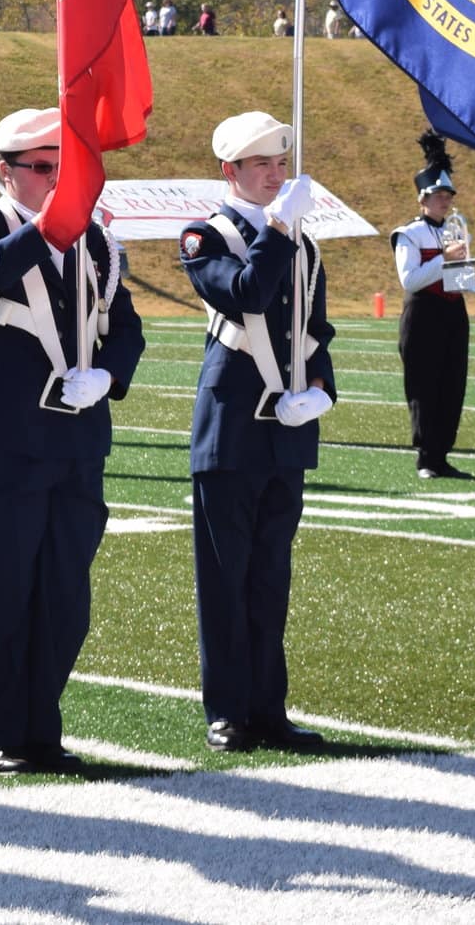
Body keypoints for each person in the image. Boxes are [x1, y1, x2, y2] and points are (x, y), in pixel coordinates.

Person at [0, 108, 145, 774]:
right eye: (41, 168)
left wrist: (107, 374)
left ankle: (40, 725)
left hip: (72, 436)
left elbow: (125, 326)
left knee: (64, 596)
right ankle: (3, 730)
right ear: (3, 169)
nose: (54, 180)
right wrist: (51, 227)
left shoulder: (95, 244)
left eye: (64, 168)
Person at [179, 111, 336, 752]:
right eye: (260, 166)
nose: (274, 175)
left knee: (272, 576)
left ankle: (269, 707)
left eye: (279, 164)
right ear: (230, 173)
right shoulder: (206, 236)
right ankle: (228, 710)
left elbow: (314, 330)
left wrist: (322, 390)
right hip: (233, 423)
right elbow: (245, 293)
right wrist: (275, 229)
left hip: (286, 424)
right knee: (226, 575)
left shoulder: (301, 239)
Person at [392, 132, 473, 479]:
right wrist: (443, 258)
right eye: (438, 195)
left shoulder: (456, 228)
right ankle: (426, 457)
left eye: (447, 195)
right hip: (423, 315)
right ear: (422, 199)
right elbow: (410, 280)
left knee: (452, 386)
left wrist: (465, 269)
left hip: (453, 313)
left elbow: (459, 282)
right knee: (424, 386)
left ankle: (442, 455)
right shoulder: (408, 233)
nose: (444, 201)